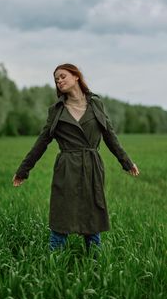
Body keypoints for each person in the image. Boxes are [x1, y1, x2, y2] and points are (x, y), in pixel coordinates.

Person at [12, 63, 139, 254]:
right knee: (61, 216)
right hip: (67, 168)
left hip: (92, 166)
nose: (59, 81)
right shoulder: (56, 110)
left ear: (76, 76)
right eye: (56, 79)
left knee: (92, 215)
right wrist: (23, 170)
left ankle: (95, 265)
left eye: (62, 76)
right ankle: (55, 263)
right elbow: (42, 142)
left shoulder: (96, 104)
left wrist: (127, 162)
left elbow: (110, 136)